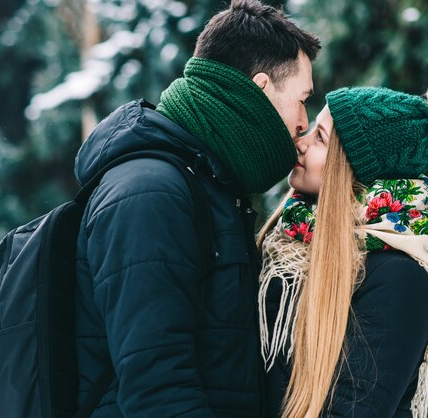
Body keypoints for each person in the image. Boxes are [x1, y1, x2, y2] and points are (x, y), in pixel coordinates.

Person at [73, 0, 321, 416]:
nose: (302, 123)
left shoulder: (206, 188)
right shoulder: (152, 192)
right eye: (301, 99)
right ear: (260, 88)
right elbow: (157, 388)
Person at [258, 83, 428, 417]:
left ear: (358, 170)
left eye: (320, 139)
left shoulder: (398, 277)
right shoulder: (288, 240)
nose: (300, 143)